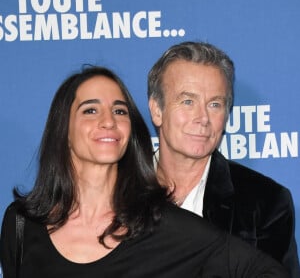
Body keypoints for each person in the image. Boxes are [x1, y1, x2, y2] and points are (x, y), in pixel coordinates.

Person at [0, 66, 288, 278]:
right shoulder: (21, 224)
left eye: (120, 111)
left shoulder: (165, 223)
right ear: (63, 129)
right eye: (90, 110)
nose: (108, 121)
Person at [148, 41, 300, 278]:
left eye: (215, 104)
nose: (203, 118)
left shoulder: (266, 202)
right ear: (157, 109)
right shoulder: (116, 192)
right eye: (188, 101)